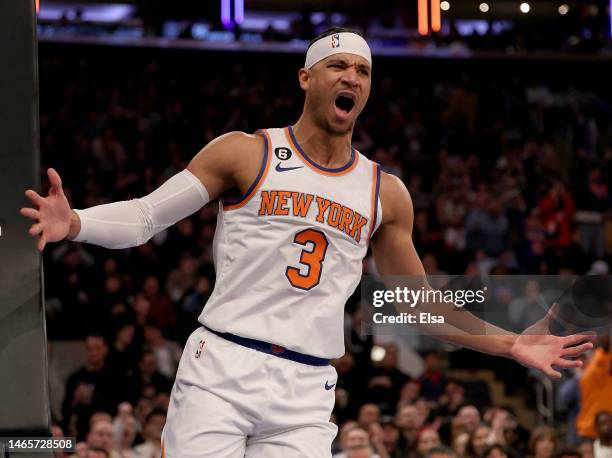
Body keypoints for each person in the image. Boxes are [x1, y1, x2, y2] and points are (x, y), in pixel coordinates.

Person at [22, 27, 594, 457]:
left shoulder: (384, 192)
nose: (352, 78)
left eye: (364, 72)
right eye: (339, 66)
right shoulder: (245, 152)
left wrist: (512, 343)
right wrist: (76, 223)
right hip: (222, 365)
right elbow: (148, 216)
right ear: (306, 77)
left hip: (305, 388)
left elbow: (420, 306)